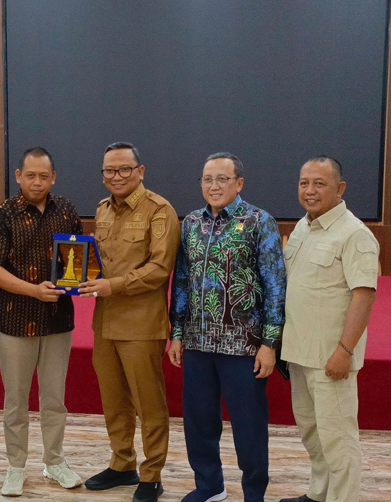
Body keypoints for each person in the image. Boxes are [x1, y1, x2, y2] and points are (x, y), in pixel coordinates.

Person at [168, 153, 286, 502]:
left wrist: (270, 343)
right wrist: (177, 333)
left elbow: (275, 285)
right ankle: (210, 486)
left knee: (249, 426)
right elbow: (182, 281)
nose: (214, 186)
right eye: (207, 179)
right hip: (197, 343)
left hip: (244, 345)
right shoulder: (191, 223)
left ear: (239, 183)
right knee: (199, 422)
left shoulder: (259, 221)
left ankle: (254, 493)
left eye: (222, 179)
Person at [79, 142, 180, 502]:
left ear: (140, 171)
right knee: (114, 401)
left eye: (124, 169)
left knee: (148, 403)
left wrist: (114, 285)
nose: (117, 176)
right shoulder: (102, 210)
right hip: (105, 322)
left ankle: (152, 474)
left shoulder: (159, 210)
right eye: (110, 170)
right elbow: (100, 261)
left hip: (141, 324)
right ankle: (122, 463)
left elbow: (159, 268)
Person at [0, 147, 84, 497]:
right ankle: (16, 466)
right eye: (30, 175)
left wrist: (80, 279)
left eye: (43, 176)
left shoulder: (66, 210)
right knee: (16, 400)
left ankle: (54, 461)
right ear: (18, 176)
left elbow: (77, 259)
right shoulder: (1, 215)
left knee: (55, 398)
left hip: (58, 320)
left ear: (53, 177)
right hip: (15, 319)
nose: (36, 182)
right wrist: (34, 291)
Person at [279, 156, 379, 502]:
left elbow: (364, 296)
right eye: (304, 183)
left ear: (340, 188)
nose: (310, 191)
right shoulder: (303, 227)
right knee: (313, 433)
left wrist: (344, 351)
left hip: (331, 358)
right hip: (299, 354)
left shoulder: (355, 234)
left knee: (338, 440)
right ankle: (318, 494)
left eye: (319, 184)